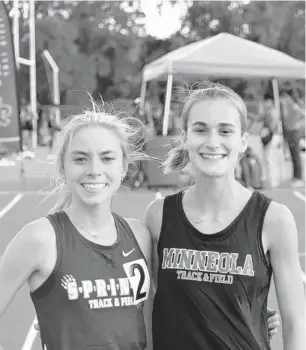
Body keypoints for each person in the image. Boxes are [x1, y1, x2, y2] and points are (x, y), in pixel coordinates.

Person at [145, 82, 304, 350]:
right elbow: (154, 305)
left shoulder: (273, 219)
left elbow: (295, 321)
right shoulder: (158, 216)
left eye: (225, 130)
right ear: (184, 137)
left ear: (243, 141)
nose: (212, 141)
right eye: (200, 129)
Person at [0, 108, 153, 349]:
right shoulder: (40, 239)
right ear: (63, 167)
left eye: (107, 158)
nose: (94, 170)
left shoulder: (140, 236)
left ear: (123, 167)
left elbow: (147, 328)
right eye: (80, 158)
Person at [280, 91, 305, 187]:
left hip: (294, 131)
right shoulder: (289, 102)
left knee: (295, 155)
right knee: (293, 155)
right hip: (291, 131)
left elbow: (302, 113)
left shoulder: (290, 103)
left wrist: (297, 123)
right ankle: (296, 177)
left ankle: (298, 178)